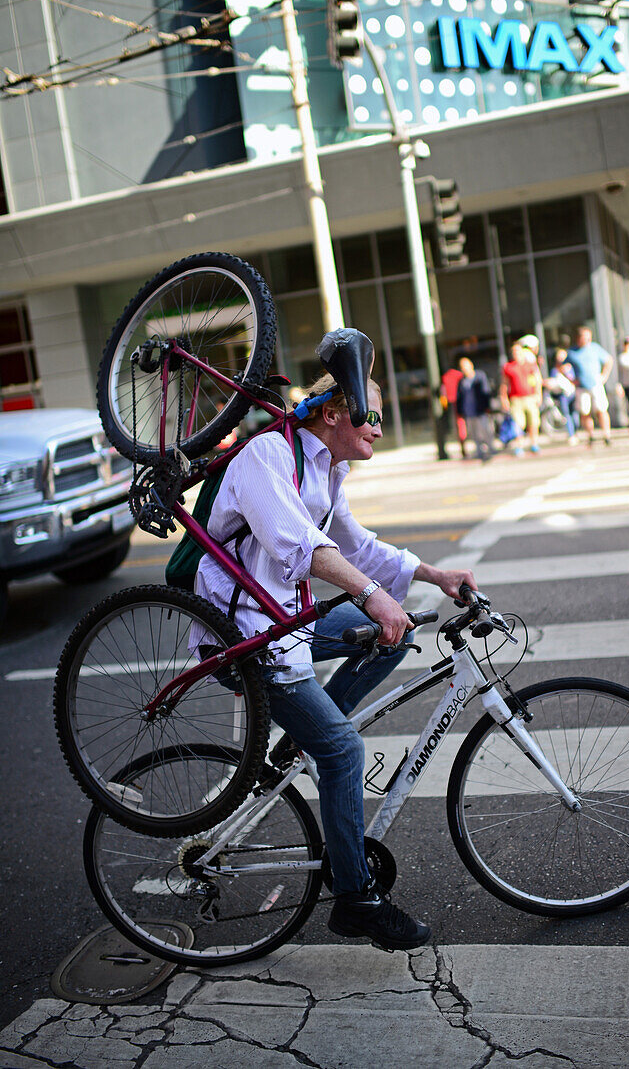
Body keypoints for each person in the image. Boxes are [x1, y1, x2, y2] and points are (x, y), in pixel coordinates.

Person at [193, 369, 477, 951]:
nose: (379, 426)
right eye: (370, 414)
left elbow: (357, 546)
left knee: (393, 630)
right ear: (331, 414)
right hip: (245, 637)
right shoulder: (266, 455)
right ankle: (356, 899)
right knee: (345, 750)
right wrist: (371, 595)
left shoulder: (325, 466)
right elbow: (297, 545)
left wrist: (433, 575)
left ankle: (302, 739)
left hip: (283, 619)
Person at [565, 326, 613, 446]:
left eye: (588, 338)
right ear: (578, 338)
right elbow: (561, 367)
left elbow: (609, 360)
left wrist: (604, 375)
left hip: (596, 384)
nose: (586, 340)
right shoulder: (572, 352)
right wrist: (571, 379)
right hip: (582, 386)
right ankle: (590, 435)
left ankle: (607, 435)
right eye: (584, 338)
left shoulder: (595, 348)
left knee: (601, 410)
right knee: (585, 412)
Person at [499, 341, 542, 456]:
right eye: (513, 351)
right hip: (516, 399)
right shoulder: (508, 367)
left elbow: (537, 380)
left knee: (533, 422)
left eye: (517, 350)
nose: (516, 353)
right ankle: (519, 446)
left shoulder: (530, 365)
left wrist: (539, 394)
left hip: (530, 397)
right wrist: (504, 398)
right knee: (518, 424)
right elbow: (504, 384)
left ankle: (534, 444)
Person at [455, 356, 494, 462]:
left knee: (485, 429)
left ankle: (490, 447)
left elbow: (485, 391)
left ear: (471, 365)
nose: (465, 369)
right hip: (469, 411)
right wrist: (460, 410)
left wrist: (487, 406)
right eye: (462, 367)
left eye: (466, 366)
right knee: (474, 432)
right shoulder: (462, 381)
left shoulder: (480, 376)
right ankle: (479, 450)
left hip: (480, 409)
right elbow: (459, 397)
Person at [545, 347, 577, 444]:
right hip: (562, 395)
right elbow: (553, 382)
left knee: (575, 415)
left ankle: (575, 431)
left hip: (572, 393)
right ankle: (571, 434)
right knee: (567, 414)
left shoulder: (571, 367)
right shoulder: (555, 370)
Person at [440, 363, 468, 458]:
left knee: (460, 425)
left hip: (455, 403)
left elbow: (443, 393)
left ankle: (463, 445)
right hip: (460, 402)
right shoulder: (459, 376)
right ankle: (463, 446)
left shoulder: (447, 377)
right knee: (462, 425)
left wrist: (444, 405)